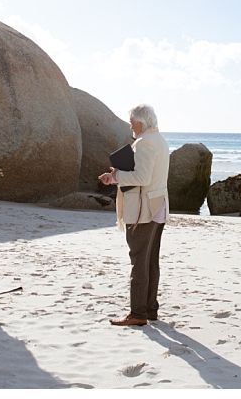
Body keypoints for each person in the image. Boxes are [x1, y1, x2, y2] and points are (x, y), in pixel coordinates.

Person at [99, 104, 170, 327]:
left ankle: (138, 313)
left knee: (139, 260)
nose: (130, 126)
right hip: (157, 206)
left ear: (140, 122)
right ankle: (149, 309)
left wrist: (117, 174)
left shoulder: (145, 143)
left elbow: (142, 177)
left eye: (131, 122)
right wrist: (115, 177)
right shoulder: (159, 140)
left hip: (143, 210)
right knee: (150, 260)